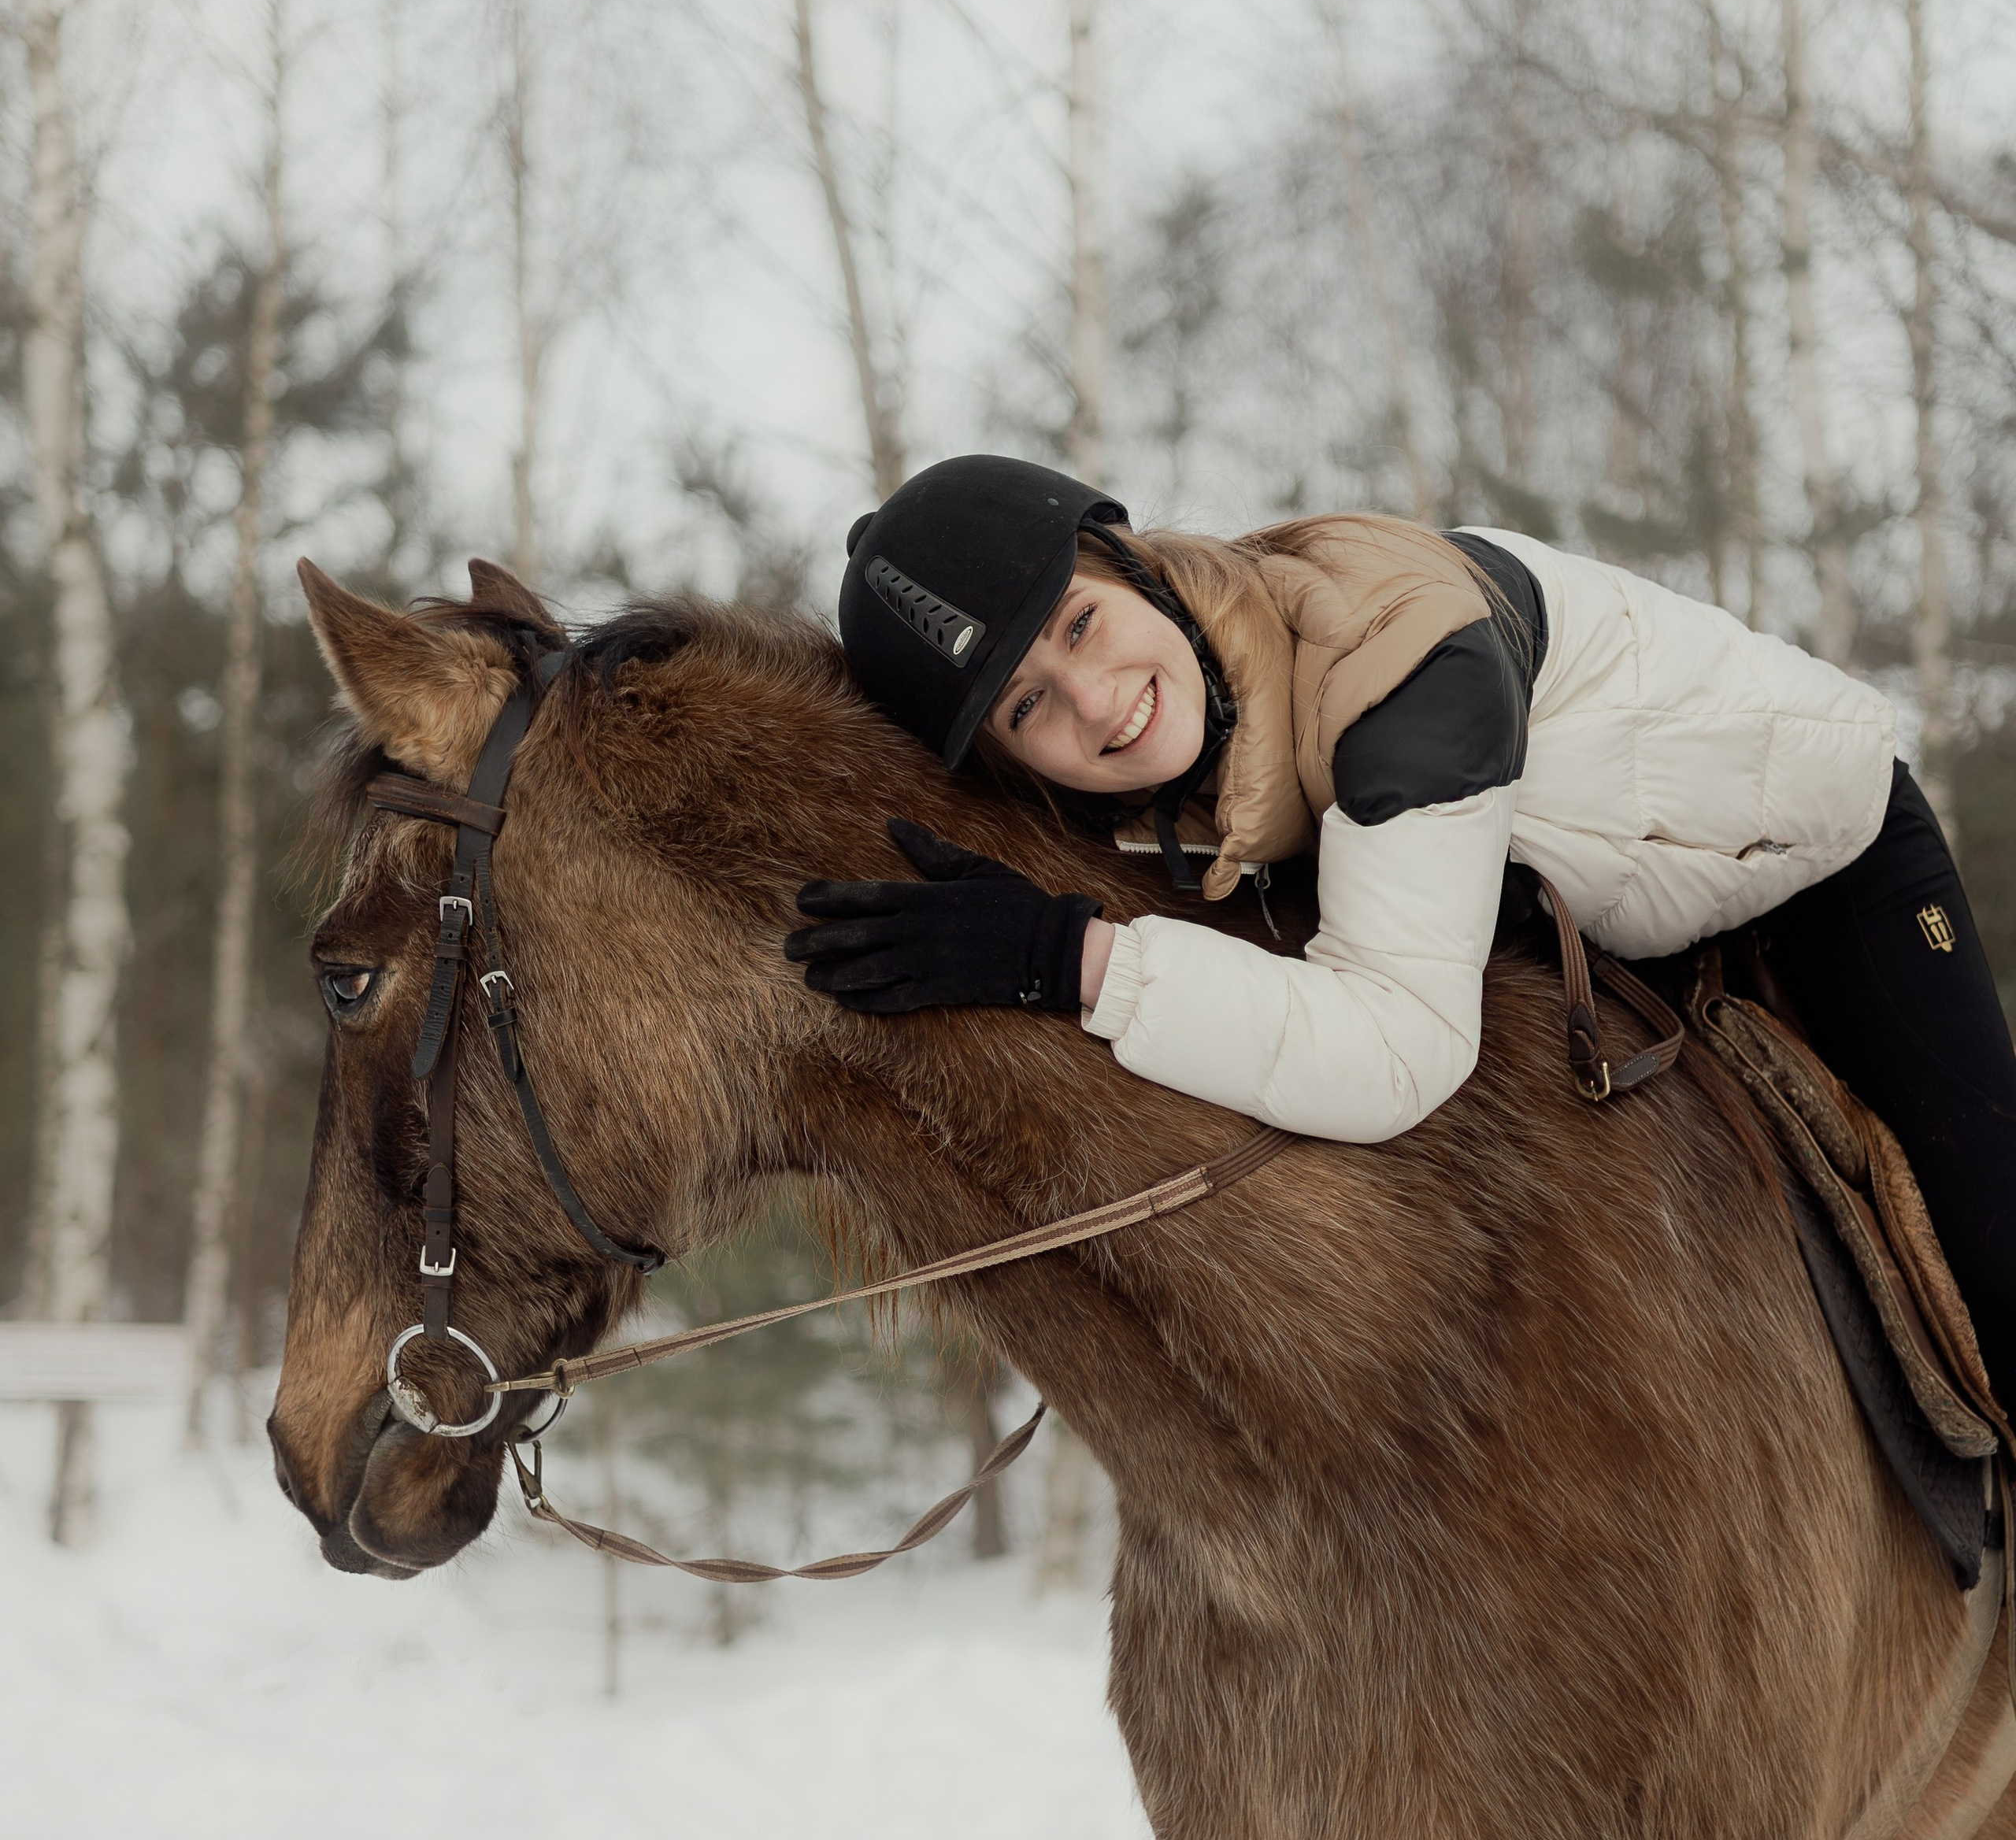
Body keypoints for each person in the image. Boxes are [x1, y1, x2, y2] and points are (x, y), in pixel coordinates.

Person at [785, 454, 2016, 1404]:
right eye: (1026, 705)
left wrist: (1067, 960)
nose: (1093, 702)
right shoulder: (1176, 778)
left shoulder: (1398, 658)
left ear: (1129, 561)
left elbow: (1393, 1054)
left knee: (1994, 1259)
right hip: (1598, 915)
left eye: (1078, 624)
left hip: (1810, 862)